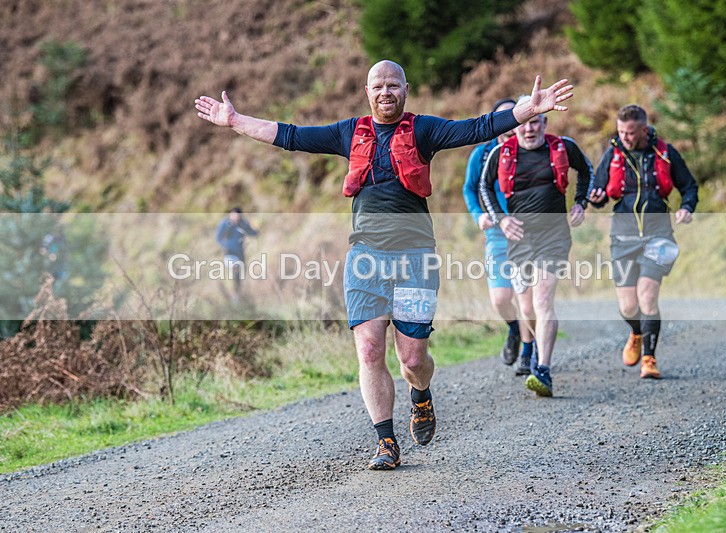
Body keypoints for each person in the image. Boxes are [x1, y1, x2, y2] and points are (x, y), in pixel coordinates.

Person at [195, 60, 573, 470]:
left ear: (405, 90)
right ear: (367, 91)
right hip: (365, 259)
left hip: (415, 259)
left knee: (412, 360)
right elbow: (290, 135)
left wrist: (527, 110)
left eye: (393, 85)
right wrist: (236, 121)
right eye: (378, 86)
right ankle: (386, 441)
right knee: (370, 348)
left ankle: (421, 395)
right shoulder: (349, 132)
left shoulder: (424, 130)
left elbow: (477, 128)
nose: (386, 92)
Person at [480, 96, 594, 397]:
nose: (529, 129)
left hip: (553, 236)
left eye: (535, 122)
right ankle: (530, 348)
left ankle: (543, 369)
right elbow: (483, 186)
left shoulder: (563, 147)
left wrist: (580, 202)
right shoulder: (502, 152)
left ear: (544, 122)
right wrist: (501, 219)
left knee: (543, 300)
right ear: (516, 124)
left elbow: (586, 170)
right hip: (519, 239)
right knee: (527, 308)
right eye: (524, 123)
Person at [589, 104, 698, 379]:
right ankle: (637, 332)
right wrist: (595, 198)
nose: (624, 137)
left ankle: (649, 359)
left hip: (658, 236)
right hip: (622, 237)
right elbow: (598, 191)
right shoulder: (613, 154)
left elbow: (689, 186)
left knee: (647, 296)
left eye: (630, 133)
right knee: (628, 306)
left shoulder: (665, 152)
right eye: (621, 132)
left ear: (644, 130)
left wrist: (686, 207)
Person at [462, 98, 536, 375]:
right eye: (501, 119)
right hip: (496, 233)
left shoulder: (530, 149)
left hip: (528, 235)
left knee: (526, 298)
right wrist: (478, 215)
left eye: (513, 116)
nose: (508, 123)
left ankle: (528, 352)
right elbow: (470, 188)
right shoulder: (482, 154)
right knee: (501, 299)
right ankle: (515, 330)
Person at [215, 207, 259, 303]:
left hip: (240, 253)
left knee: (241, 274)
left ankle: (237, 294)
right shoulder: (225, 224)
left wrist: (258, 231)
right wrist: (224, 245)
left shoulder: (243, 223)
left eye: (237, 216)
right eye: (233, 215)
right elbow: (218, 237)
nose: (235, 218)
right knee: (236, 270)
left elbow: (251, 232)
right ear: (230, 214)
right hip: (229, 253)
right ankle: (235, 297)